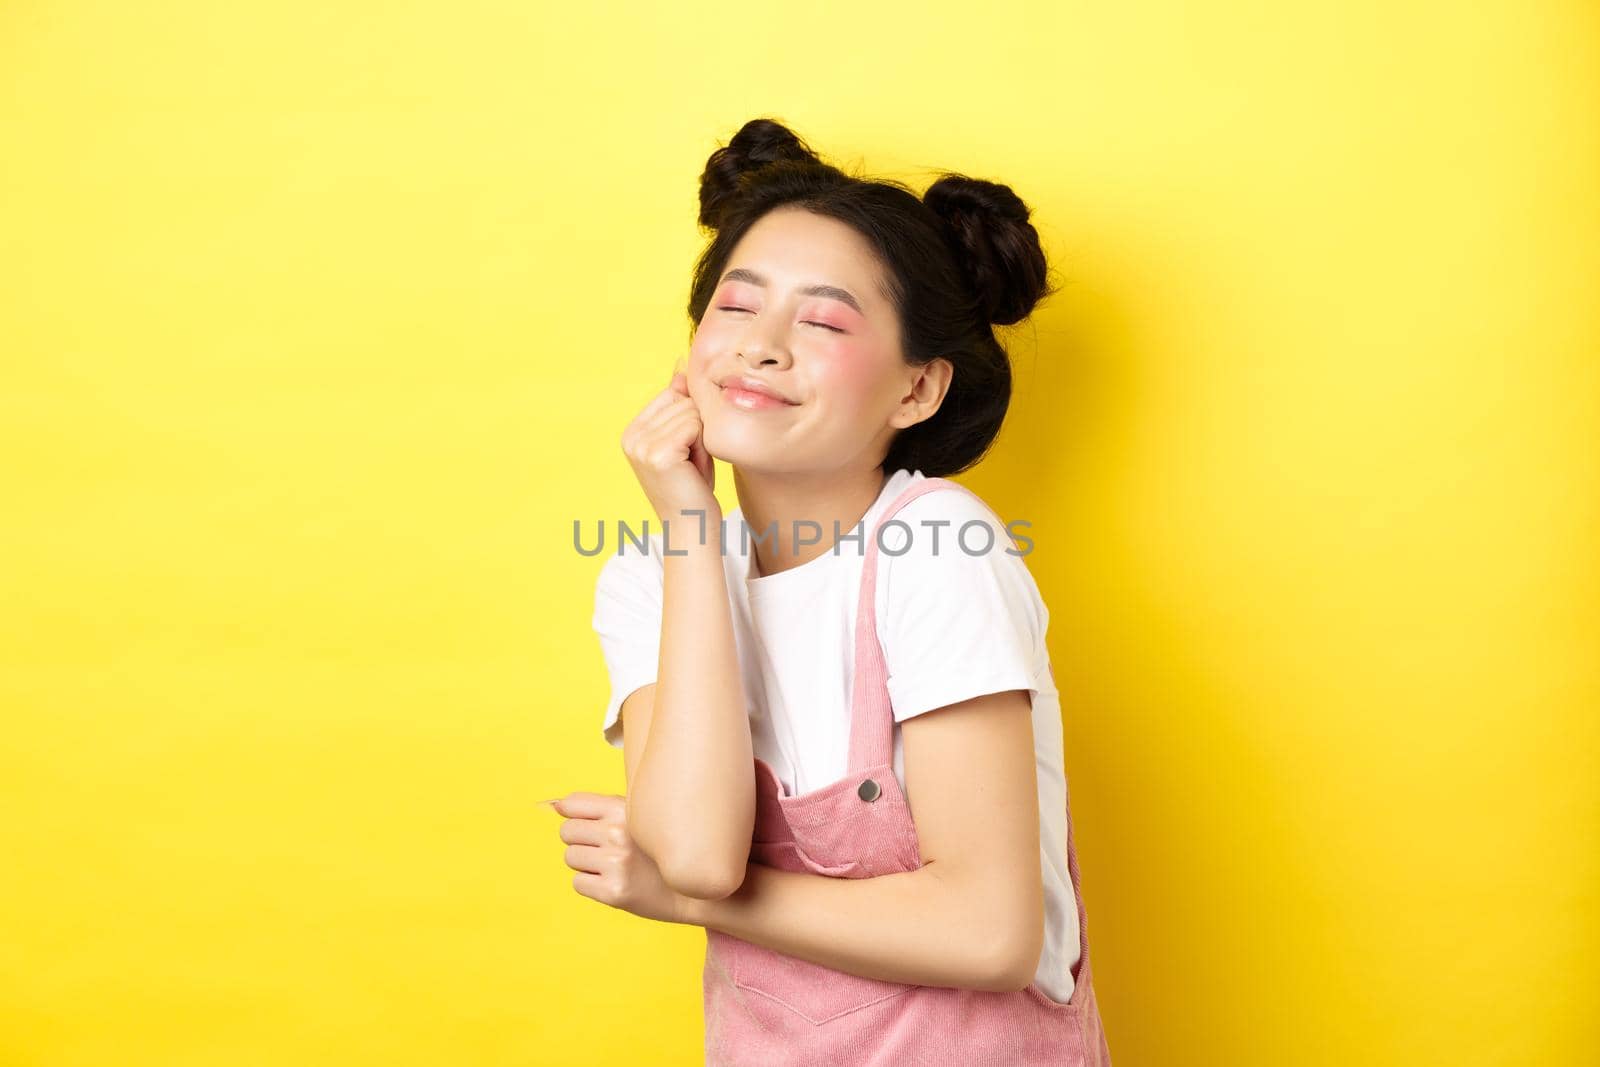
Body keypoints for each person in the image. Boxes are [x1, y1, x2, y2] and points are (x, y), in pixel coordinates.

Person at [559, 116, 1112, 1065]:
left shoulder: (935, 543)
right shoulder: (650, 574)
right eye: (736, 308)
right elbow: (696, 849)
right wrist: (693, 531)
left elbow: (988, 931)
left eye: (820, 321)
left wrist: (680, 898)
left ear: (917, 390)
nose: (762, 347)